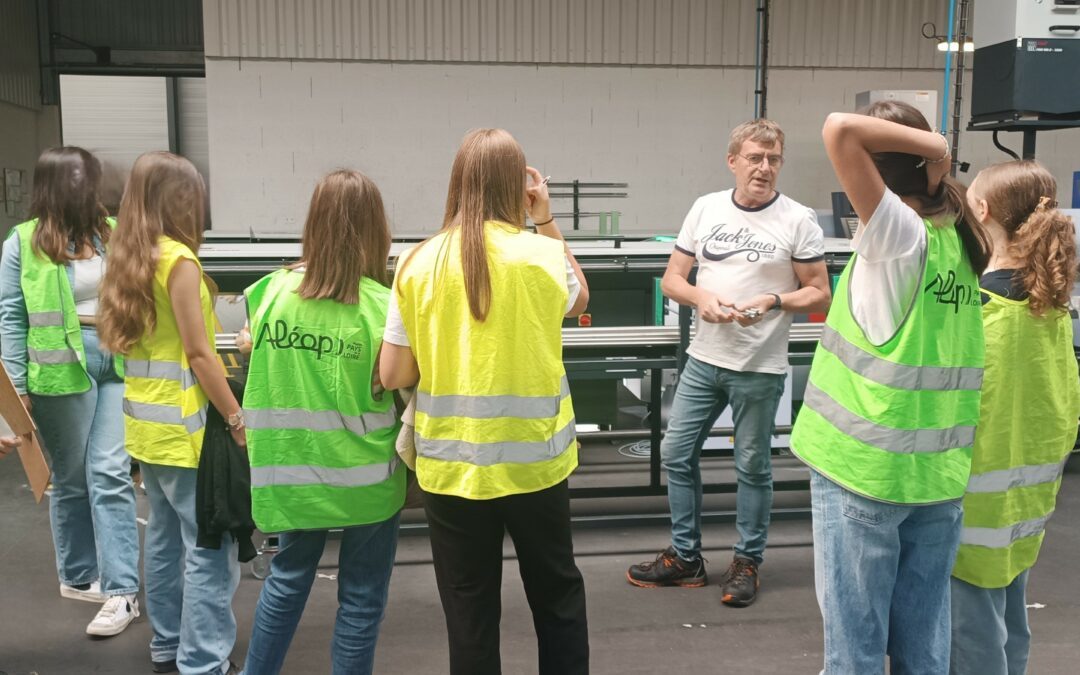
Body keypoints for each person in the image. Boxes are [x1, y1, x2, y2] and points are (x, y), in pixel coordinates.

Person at [380, 128, 591, 675]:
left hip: (452, 467)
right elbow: (580, 298)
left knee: (469, 610)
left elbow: (395, 370)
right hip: (536, 465)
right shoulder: (541, 256)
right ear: (518, 187)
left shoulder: (416, 261)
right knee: (557, 597)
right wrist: (545, 218)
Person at [789, 101, 990, 674]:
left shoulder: (899, 238)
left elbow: (838, 129)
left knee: (853, 653)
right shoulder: (960, 240)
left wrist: (937, 150)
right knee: (923, 651)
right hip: (937, 480)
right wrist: (937, 165)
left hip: (865, 477)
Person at [627, 119, 831, 607]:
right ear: (733, 160)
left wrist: (773, 300)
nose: (764, 168)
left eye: (774, 159)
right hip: (705, 360)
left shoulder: (797, 220)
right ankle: (686, 558)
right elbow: (673, 279)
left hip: (760, 367)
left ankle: (746, 562)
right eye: (755, 157)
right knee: (677, 453)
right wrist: (704, 299)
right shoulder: (707, 208)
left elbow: (819, 289)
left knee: (752, 466)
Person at [238, 170, 406, 675]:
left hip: (291, 473)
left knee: (286, 579)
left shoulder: (268, 293)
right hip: (367, 477)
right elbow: (403, 377)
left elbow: (249, 344)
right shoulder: (384, 308)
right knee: (361, 595)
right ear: (377, 230)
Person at [98, 151, 243, 675]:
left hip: (144, 430)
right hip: (187, 434)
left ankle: (168, 644)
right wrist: (236, 417)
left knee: (162, 542)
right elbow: (201, 355)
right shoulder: (179, 261)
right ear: (181, 200)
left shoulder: (129, 257)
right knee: (209, 545)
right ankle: (203, 660)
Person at [0, 147, 141, 636]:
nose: (91, 190)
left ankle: (123, 590)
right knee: (71, 476)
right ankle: (79, 574)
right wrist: (12, 400)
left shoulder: (113, 232)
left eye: (93, 180)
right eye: (80, 182)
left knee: (109, 470)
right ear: (55, 186)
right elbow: (12, 318)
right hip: (60, 370)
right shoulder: (22, 243)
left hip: (118, 358)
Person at [949, 161, 1080, 675]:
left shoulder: (981, 308)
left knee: (972, 635)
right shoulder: (1050, 307)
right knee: (1008, 622)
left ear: (979, 211)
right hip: (1025, 507)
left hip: (971, 510)